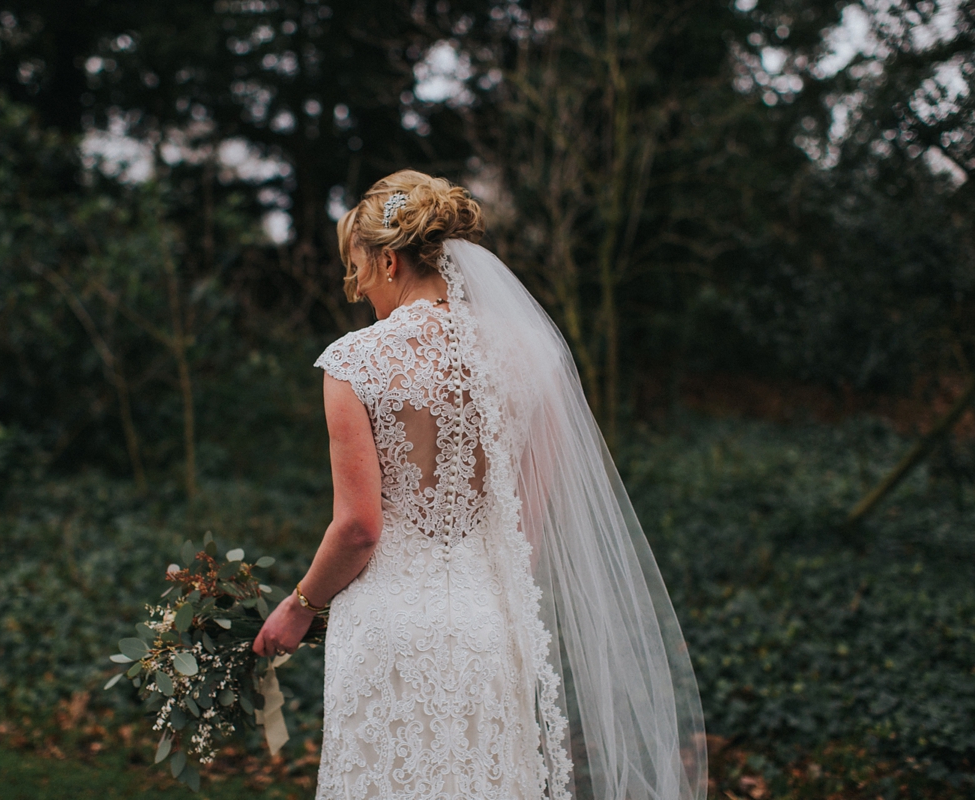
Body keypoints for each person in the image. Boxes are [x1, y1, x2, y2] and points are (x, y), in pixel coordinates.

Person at [254, 170, 707, 800]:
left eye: (356, 268)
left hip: (388, 631)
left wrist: (299, 605)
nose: (355, 289)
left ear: (389, 260)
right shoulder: (531, 356)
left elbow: (359, 529)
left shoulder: (355, 362)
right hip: (492, 625)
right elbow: (526, 525)